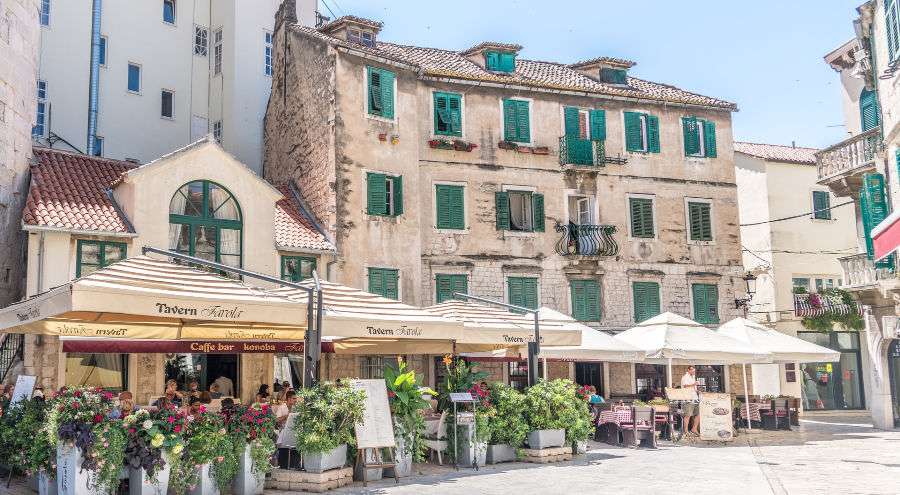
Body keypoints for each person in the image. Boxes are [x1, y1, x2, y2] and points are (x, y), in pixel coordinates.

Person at [680, 365, 701, 435]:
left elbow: (692, 387)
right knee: (688, 415)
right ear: (688, 370)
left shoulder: (693, 377)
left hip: (695, 398)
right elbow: (685, 386)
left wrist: (697, 391)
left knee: (698, 414)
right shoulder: (685, 377)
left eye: (694, 370)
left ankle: (694, 429)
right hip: (688, 398)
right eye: (692, 370)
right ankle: (686, 431)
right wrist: (694, 384)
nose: (693, 371)